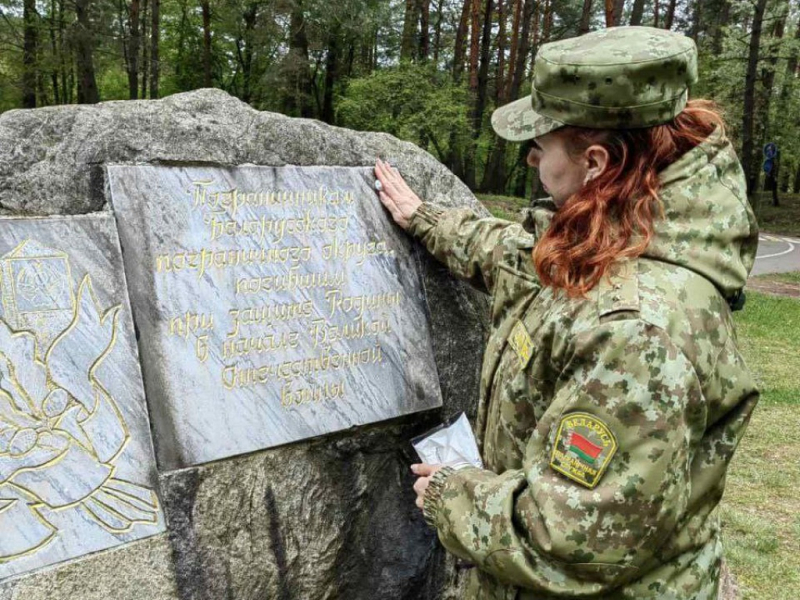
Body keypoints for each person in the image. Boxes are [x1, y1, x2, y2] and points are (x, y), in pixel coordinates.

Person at [373, 26, 759, 600]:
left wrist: (450, 493)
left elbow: (569, 541)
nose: (531, 155)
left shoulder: (636, 334)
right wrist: (428, 220)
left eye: (543, 142)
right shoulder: (623, 230)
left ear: (597, 161)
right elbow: (521, 260)